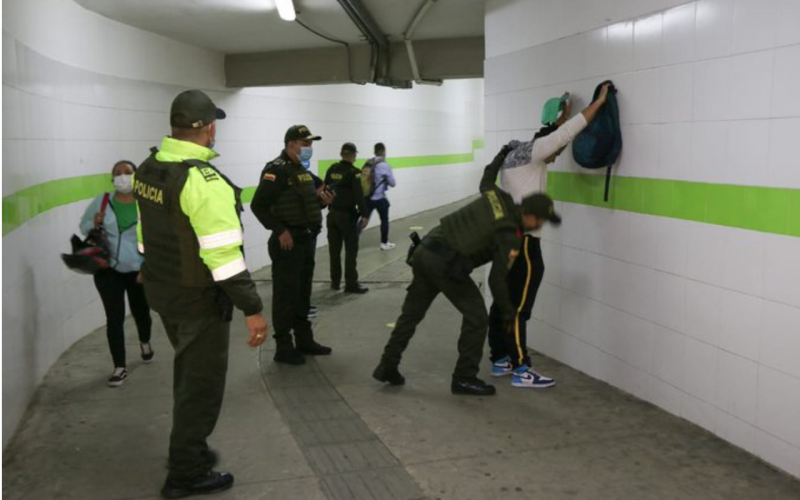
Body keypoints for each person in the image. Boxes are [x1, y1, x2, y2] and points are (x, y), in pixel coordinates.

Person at [133, 89, 268, 499]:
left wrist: (148, 268)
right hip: (198, 300)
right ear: (209, 128)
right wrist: (253, 307)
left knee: (189, 375)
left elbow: (145, 233)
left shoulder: (149, 167)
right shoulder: (202, 181)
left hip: (162, 291)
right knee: (201, 387)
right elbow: (223, 256)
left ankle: (189, 448)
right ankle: (186, 473)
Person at [372, 145, 561, 396]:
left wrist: (502, 154)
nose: (541, 226)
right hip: (447, 266)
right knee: (477, 318)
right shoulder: (511, 235)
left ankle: (387, 365)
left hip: (424, 252)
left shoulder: (498, 196)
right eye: (542, 221)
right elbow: (496, 281)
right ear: (533, 218)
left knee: (411, 315)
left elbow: (486, 177)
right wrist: (508, 313)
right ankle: (464, 378)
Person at [487, 83, 612, 389]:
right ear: (543, 146)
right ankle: (521, 369)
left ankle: (500, 358)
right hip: (525, 243)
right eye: (551, 151)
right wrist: (599, 102)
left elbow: (552, 142)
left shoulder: (516, 155)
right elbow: (566, 134)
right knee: (519, 306)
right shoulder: (534, 155)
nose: (555, 156)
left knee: (502, 301)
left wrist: (557, 120)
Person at [251, 125, 335, 365]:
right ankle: (283, 346)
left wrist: (323, 202)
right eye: (305, 143)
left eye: (310, 144)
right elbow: (259, 206)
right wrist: (280, 231)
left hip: (305, 240)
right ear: (290, 144)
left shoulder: (301, 171)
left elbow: (306, 206)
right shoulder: (276, 171)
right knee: (285, 296)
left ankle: (304, 339)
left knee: (302, 294)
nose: (309, 148)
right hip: (287, 243)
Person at [80, 160, 153, 387]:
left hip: (137, 269)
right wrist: (94, 223)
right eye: (118, 173)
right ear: (112, 179)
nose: (122, 177)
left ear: (136, 176)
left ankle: (145, 340)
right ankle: (119, 366)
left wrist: (147, 267)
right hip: (107, 269)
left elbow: (157, 237)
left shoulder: (146, 203)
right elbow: (84, 227)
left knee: (141, 311)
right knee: (114, 317)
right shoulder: (103, 202)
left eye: (127, 173)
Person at [324, 142, 369, 294]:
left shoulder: (332, 169)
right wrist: (365, 214)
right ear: (354, 155)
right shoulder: (354, 172)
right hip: (347, 216)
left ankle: (335, 282)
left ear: (341, 154)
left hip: (332, 215)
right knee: (351, 250)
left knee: (334, 251)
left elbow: (325, 189)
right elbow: (358, 195)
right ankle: (351, 284)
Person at [365, 142, 396, 250]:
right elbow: (393, 183)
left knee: (363, 220)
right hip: (380, 198)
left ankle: (352, 240)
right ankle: (384, 243)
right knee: (384, 220)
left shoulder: (368, 163)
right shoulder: (385, 165)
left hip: (368, 198)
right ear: (383, 152)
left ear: (374, 151)